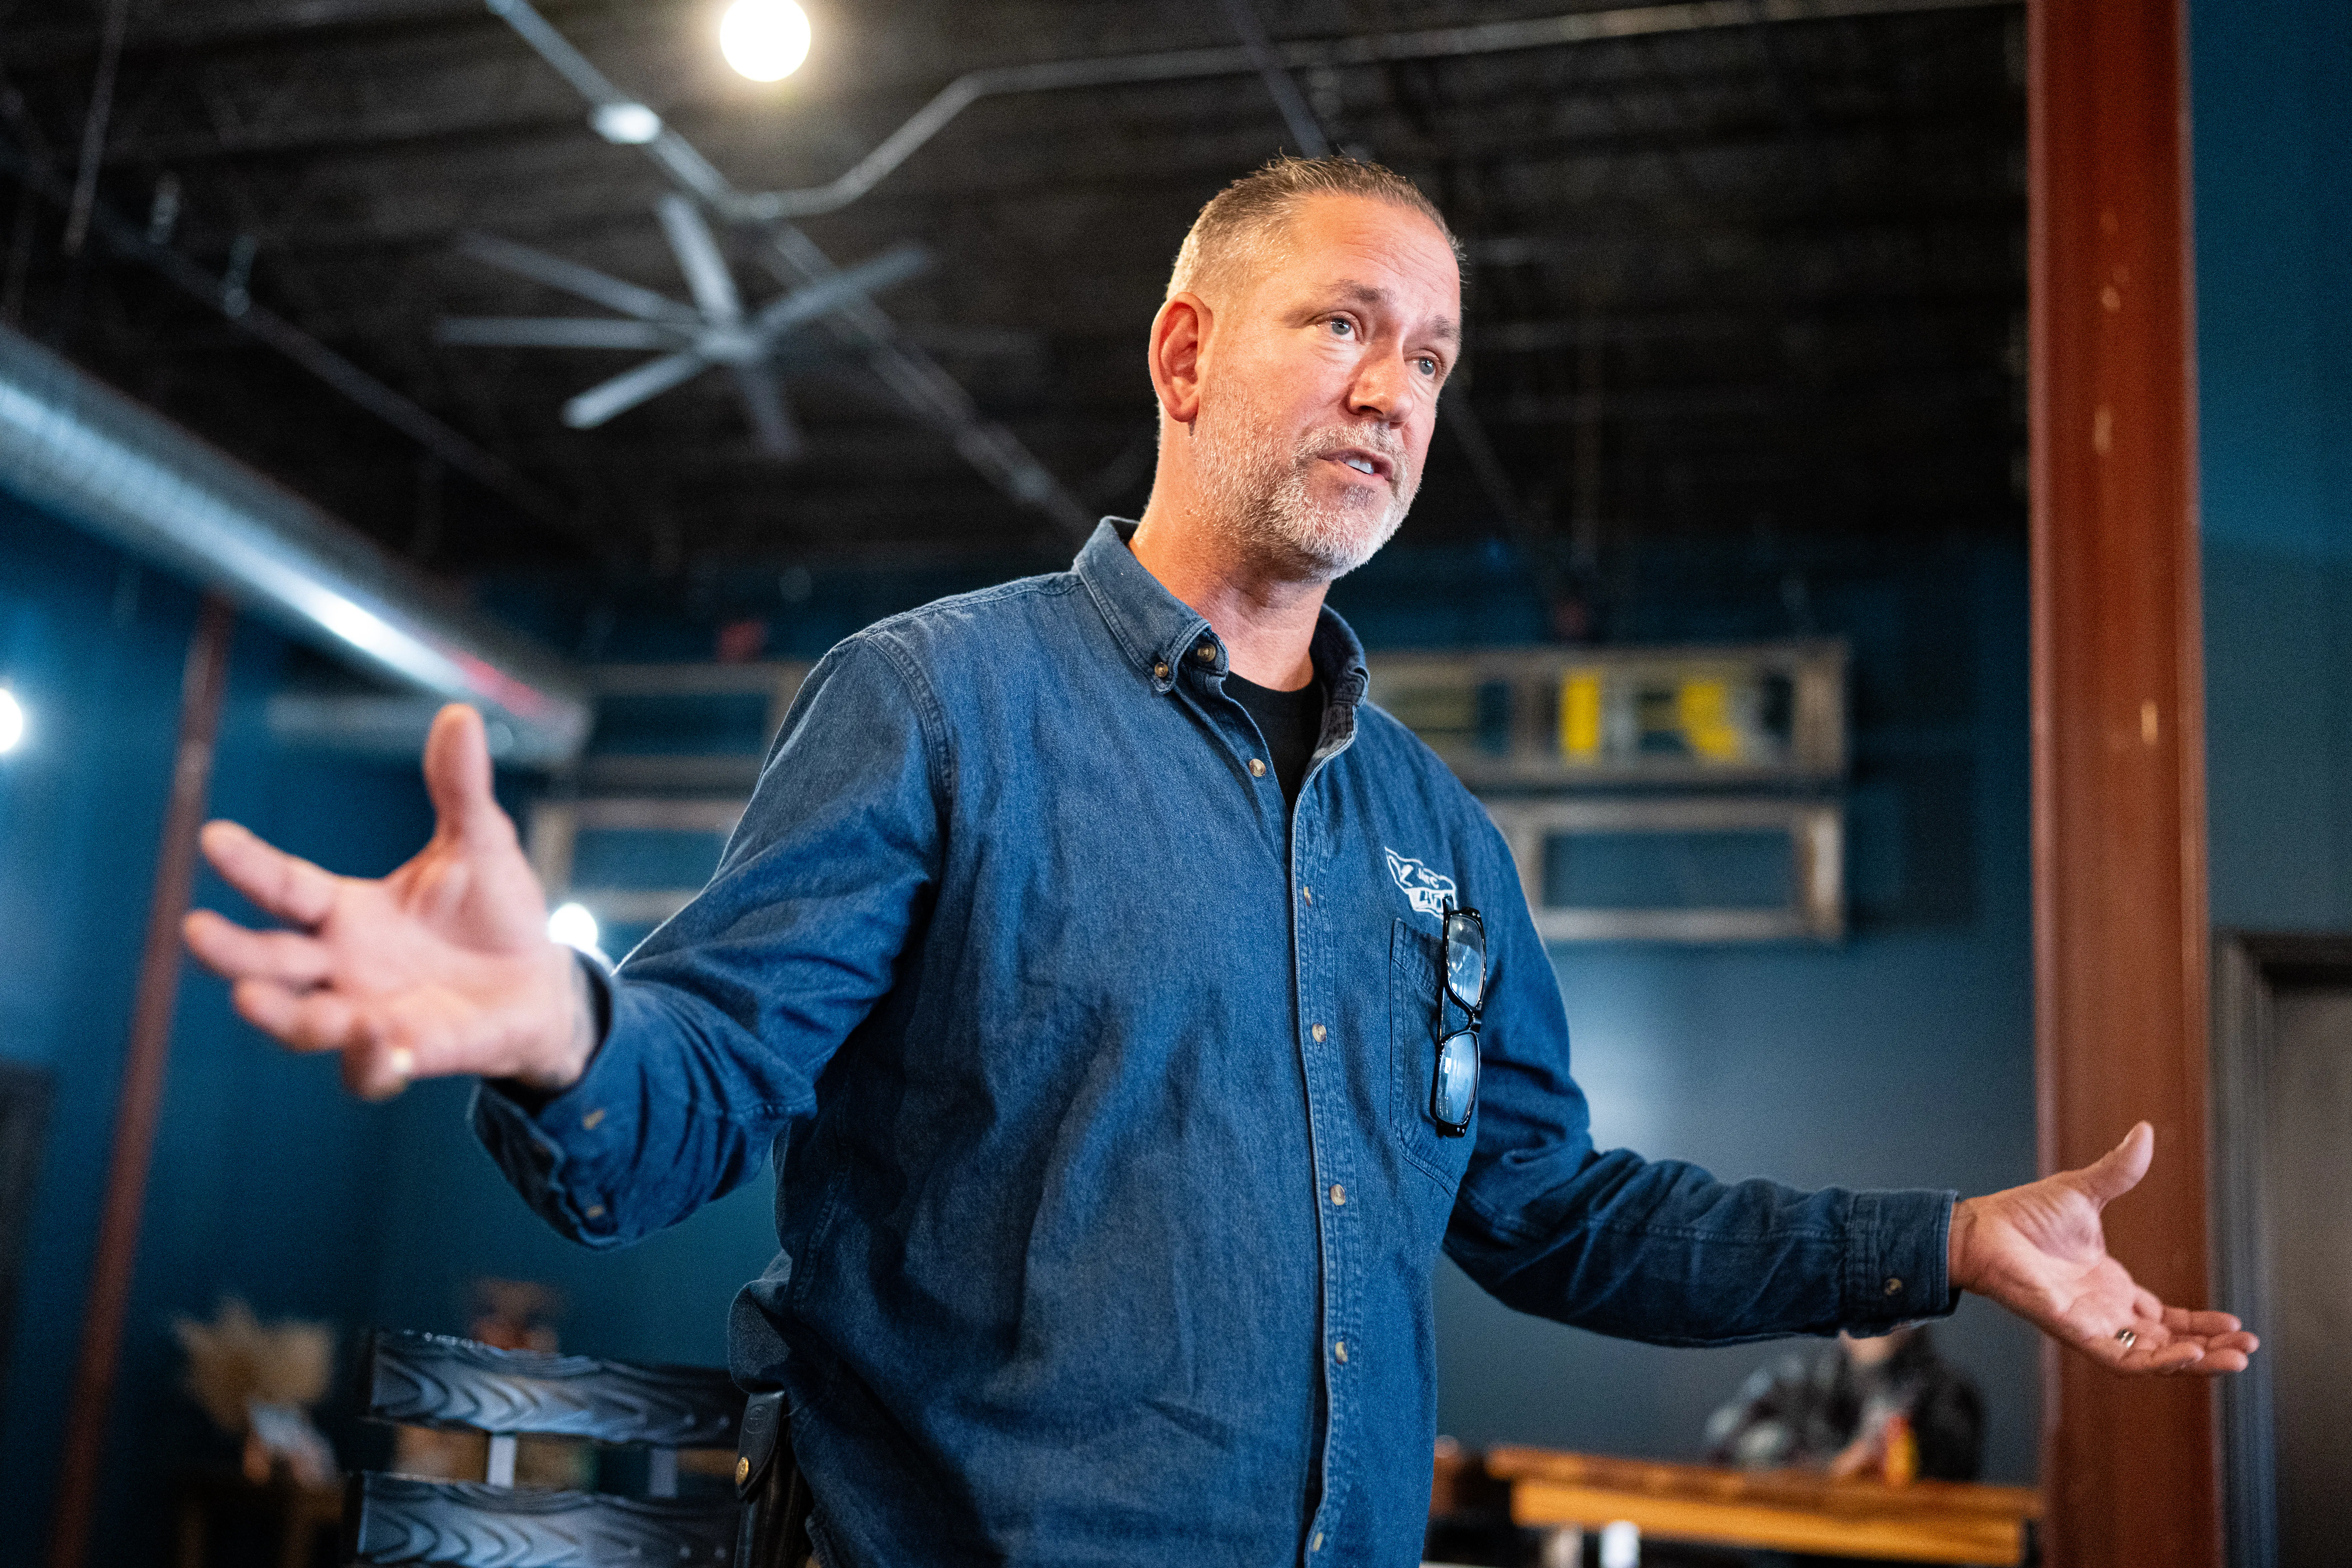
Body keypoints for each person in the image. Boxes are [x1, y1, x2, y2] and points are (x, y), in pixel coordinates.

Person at [182, 157, 2254, 1568]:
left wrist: (1949, 1241)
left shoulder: (1432, 828)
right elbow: (686, 1092)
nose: (1393, 387)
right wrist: (558, 1018)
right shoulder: (933, 702)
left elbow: (1553, 1212)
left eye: (1431, 354)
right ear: (1179, 357)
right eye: (1341, 323)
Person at [1704, 1326, 1984, 1482]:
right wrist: (1825, 1466)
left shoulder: (1947, 1392)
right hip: (1797, 1552)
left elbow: (1945, 1477)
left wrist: (1879, 1365)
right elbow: (1723, 1436)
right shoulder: (1800, 1374)